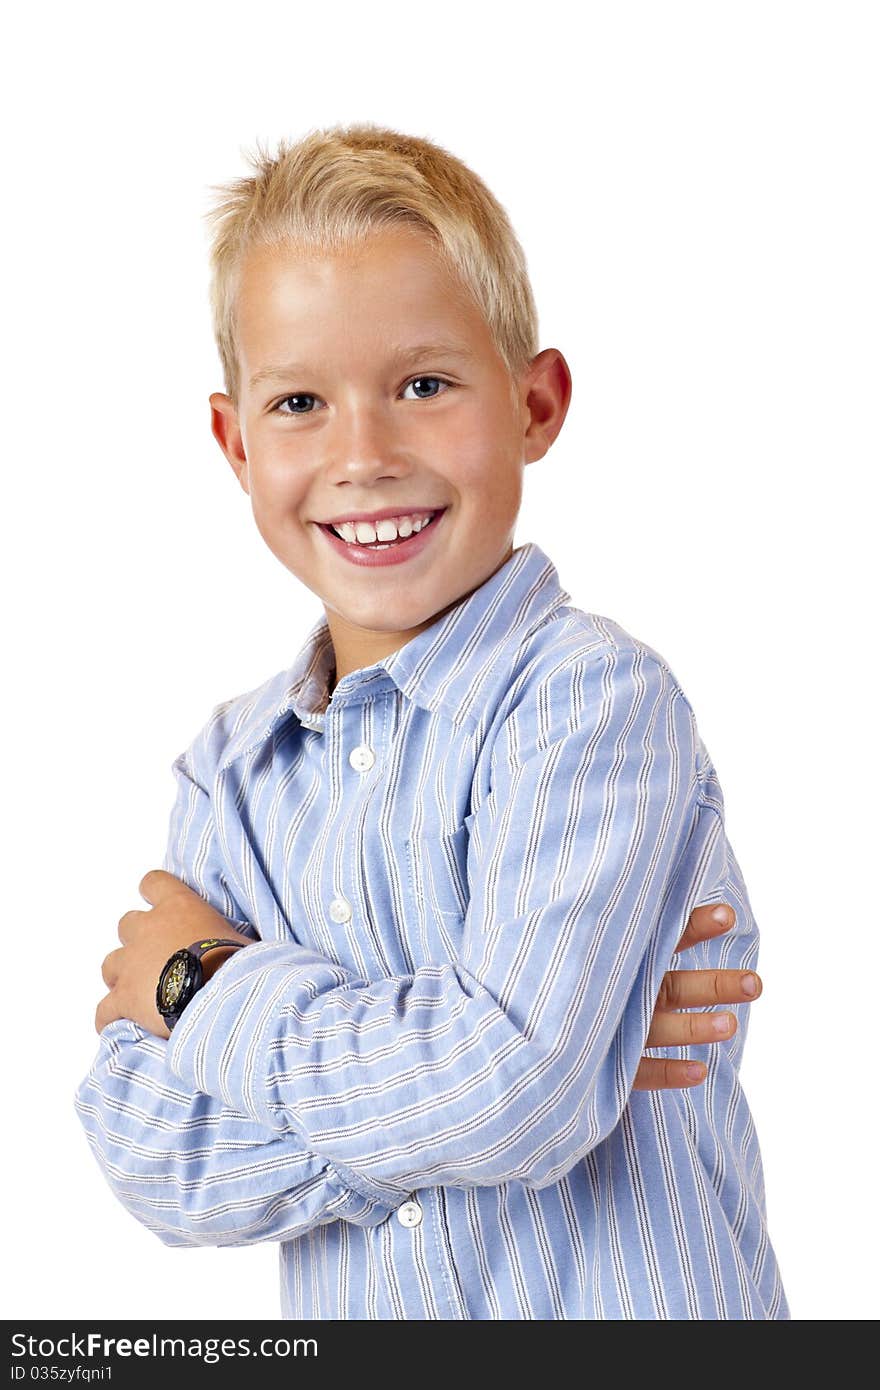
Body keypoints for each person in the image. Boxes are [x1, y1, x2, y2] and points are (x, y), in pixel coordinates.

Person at [75, 123, 788, 1320]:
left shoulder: (588, 701)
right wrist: (507, 1067)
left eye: (423, 384)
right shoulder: (230, 773)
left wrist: (205, 988)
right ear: (234, 444)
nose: (364, 454)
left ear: (535, 404)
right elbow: (153, 1154)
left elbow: (514, 1090)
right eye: (300, 400)